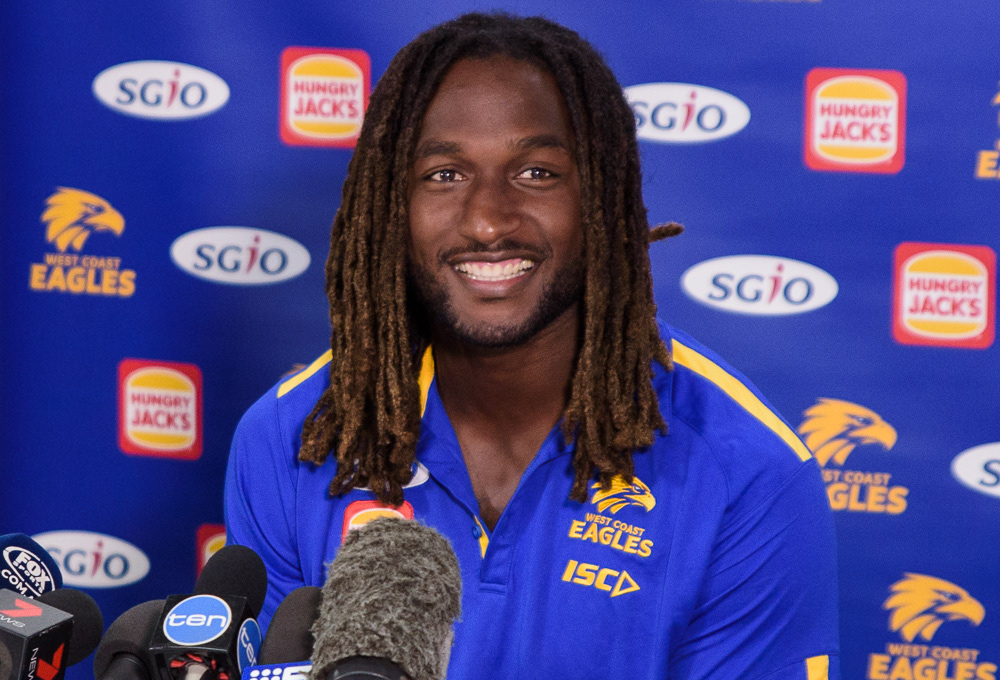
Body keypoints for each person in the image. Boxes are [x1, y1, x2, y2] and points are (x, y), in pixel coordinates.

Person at [225, 12, 840, 678]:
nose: (488, 221)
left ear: (601, 198)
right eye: (444, 175)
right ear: (389, 206)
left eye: (537, 172)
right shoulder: (290, 438)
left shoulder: (747, 473)